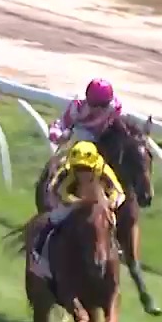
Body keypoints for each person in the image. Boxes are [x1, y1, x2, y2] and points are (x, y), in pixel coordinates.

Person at [32, 141, 126, 269]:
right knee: (54, 218)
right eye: (79, 169)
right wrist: (76, 202)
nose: (83, 174)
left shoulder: (104, 169)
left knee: (111, 220)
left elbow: (119, 192)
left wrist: (112, 202)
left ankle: (115, 245)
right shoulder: (66, 170)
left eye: (86, 169)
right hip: (65, 197)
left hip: (98, 198)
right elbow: (58, 190)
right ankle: (39, 251)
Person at [47, 78, 124, 153]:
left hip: (100, 147)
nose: (99, 110)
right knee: (79, 134)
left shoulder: (114, 109)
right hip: (77, 146)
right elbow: (59, 125)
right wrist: (59, 137)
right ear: (87, 100)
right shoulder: (77, 109)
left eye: (104, 106)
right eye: (95, 105)